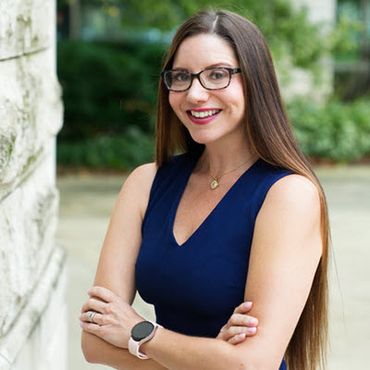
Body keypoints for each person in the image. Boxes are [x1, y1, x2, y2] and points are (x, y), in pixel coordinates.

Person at [79, 9, 330, 370]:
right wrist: (213, 358)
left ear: (255, 82)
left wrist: (141, 332)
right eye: (181, 77)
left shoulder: (288, 196)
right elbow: (94, 341)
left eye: (217, 75)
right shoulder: (146, 184)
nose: (195, 93)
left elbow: (251, 363)